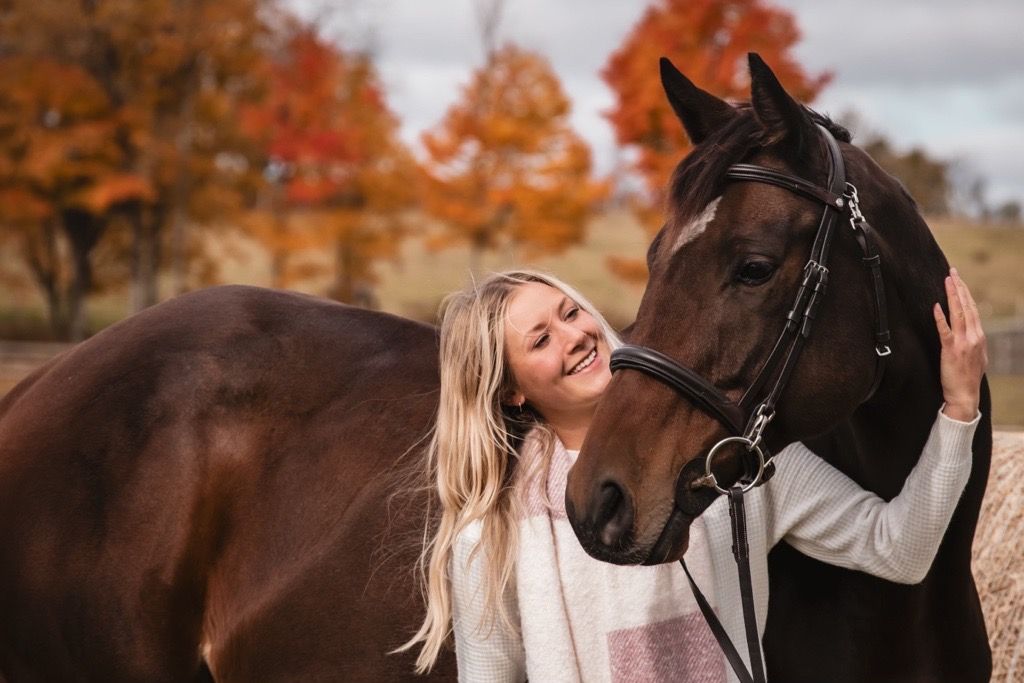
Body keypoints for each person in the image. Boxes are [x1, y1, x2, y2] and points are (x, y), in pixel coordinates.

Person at [397, 268, 987, 682]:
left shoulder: (731, 455)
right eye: (542, 339)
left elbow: (899, 550)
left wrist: (958, 412)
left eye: (570, 312)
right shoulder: (495, 530)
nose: (576, 336)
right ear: (512, 390)